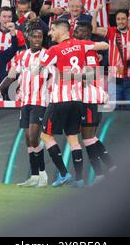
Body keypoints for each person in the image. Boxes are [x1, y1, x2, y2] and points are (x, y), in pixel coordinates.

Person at [39, 19, 109, 187]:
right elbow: (105, 45)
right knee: (73, 138)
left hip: (60, 99)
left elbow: (40, 71)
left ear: (62, 31)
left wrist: (55, 73)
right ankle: (79, 180)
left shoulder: (54, 49)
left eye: (52, 30)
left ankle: (63, 174)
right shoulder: (81, 45)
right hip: (77, 100)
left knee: (45, 135)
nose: (50, 33)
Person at [0, 28, 49, 188]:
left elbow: (55, 74)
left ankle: (43, 174)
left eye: (40, 36)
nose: (37, 39)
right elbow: (12, 75)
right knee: (27, 140)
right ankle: (34, 176)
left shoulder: (47, 55)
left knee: (33, 137)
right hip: (25, 101)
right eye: (34, 36)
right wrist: (0, 89)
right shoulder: (22, 56)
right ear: (29, 39)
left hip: (40, 101)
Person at [73, 21, 116, 184]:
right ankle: (111, 168)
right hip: (81, 98)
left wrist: (65, 76)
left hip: (90, 98)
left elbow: (90, 75)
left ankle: (100, 174)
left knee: (88, 138)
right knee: (89, 138)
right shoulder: (77, 51)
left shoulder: (89, 52)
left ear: (88, 35)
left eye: (82, 31)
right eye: (76, 30)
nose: (77, 33)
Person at [92, 7, 130, 102]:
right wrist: (95, 12)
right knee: (114, 106)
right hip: (114, 74)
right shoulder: (111, 31)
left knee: (129, 107)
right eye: (118, 19)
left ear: (128, 19)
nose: (121, 21)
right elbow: (94, 30)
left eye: (123, 19)